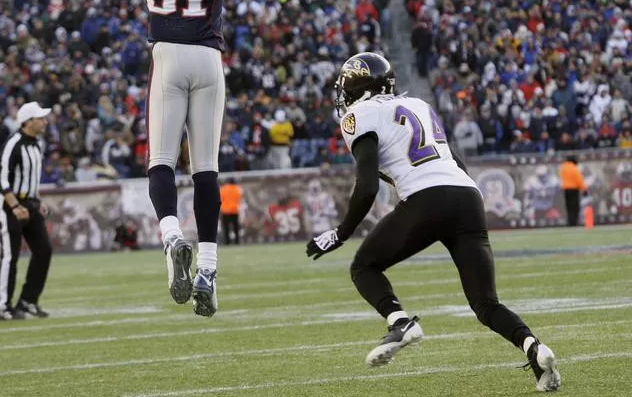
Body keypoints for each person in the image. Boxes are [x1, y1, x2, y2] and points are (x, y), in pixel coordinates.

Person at [305, 52, 561, 392]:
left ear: (361, 89)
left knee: (363, 267)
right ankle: (536, 350)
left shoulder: (359, 114)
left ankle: (400, 323)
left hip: (427, 198)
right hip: (468, 196)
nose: (344, 97)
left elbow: (365, 186)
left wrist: (341, 233)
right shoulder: (419, 106)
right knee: (485, 303)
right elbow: (454, 162)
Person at [128, 0, 245, 318]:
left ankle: (173, 237)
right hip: (207, 58)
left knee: (161, 160)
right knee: (206, 170)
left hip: (167, 56)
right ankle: (209, 269)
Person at [0, 101, 53, 321]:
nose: (44, 122)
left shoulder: (37, 144)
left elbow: (31, 179)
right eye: (40, 118)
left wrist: (37, 200)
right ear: (28, 122)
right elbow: (0, 179)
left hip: (30, 204)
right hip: (10, 205)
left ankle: (28, 300)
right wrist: (15, 206)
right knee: (11, 256)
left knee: (43, 251)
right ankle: (3, 306)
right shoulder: (14, 144)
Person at [559, 156, 587, 227]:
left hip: (566, 189)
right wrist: (584, 189)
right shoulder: (574, 168)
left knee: (568, 207)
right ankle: (574, 222)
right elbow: (579, 179)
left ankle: (570, 222)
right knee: (575, 206)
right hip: (574, 189)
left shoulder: (563, 168)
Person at [220, 178, 243, 245]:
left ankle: (227, 242)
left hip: (225, 211)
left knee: (226, 228)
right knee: (236, 228)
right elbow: (239, 198)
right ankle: (237, 242)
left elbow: (221, 198)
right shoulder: (237, 189)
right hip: (235, 211)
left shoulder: (223, 189)